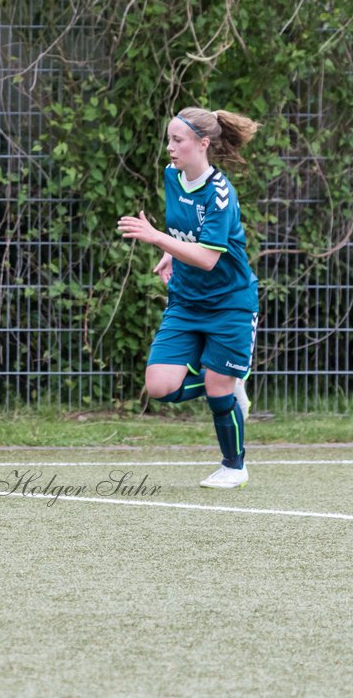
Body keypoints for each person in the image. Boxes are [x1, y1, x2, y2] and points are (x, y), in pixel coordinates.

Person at [117, 107, 259, 489]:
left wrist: (157, 239)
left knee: (218, 391)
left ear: (203, 143)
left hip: (230, 302)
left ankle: (234, 466)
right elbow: (186, 232)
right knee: (160, 387)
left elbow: (210, 258)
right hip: (186, 301)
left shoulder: (220, 193)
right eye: (169, 139)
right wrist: (170, 250)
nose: (170, 148)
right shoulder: (172, 177)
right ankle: (227, 379)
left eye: (177, 140)